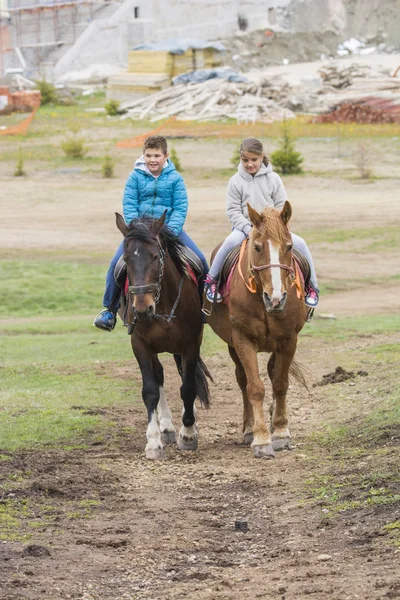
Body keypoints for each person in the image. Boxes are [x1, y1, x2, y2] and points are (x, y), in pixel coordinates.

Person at [94, 135, 208, 331]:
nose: (152, 159)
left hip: (170, 232)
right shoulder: (134, 177)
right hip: (140, 235)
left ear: (166, 156)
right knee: (116, 265)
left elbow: (180, 207)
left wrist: (170, 231)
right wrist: (137, 230)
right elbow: (129, 206)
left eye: (157, 155)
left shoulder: (175, 178)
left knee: (200, 261)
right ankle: (109, 311)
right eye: (148, 155)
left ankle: (205, 308)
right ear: (143, 156)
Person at [204, 137, 319, 307]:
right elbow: (233, 211)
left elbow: (281, 205)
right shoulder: (235, 181)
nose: (250, 164)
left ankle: (312, 287)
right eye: (245, 160)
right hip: (245, 229)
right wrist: (248, 228)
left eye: (254, 160)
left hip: (273, 231)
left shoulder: (274, 179)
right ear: (240, 159)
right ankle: (212, 281)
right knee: (228, 243)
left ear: (262, 157)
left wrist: (276, 228)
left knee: (301, 243)